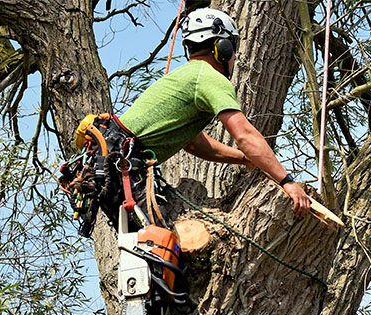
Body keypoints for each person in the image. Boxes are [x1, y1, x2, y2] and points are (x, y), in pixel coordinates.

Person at [116, 7, 311, 218]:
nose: (234, 57)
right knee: (163, 237)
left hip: (111, 162)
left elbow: (195, 143)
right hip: (123, 165)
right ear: (222, 48)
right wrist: (287, 181)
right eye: (233, 48)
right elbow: (244, 135)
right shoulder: (209, 77)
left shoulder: (189, 75)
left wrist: (244, 158)